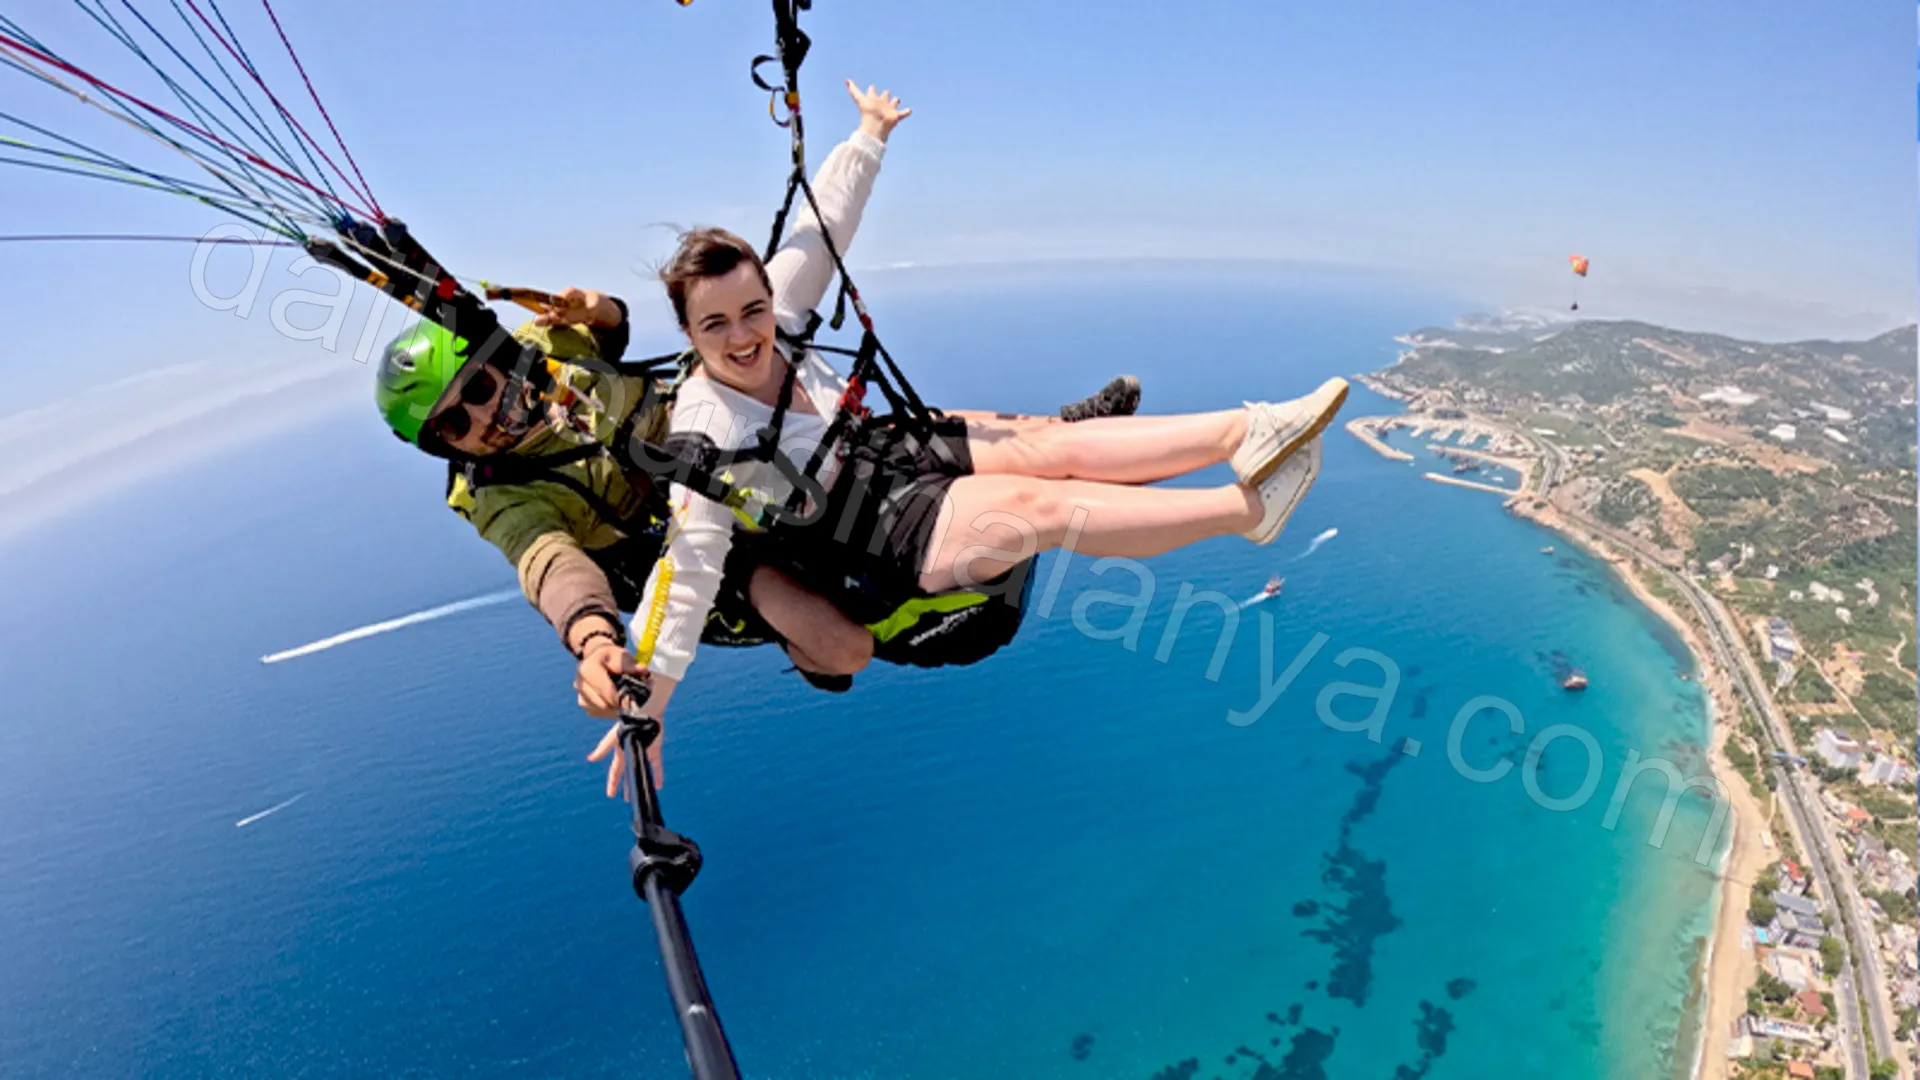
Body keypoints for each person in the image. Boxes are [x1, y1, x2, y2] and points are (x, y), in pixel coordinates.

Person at [582, 81, 1346, 792]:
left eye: (752, 311)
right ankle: (1247, 511)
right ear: (688, 332)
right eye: (715, 324)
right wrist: (652, 698)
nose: (744, 336)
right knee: (1040, 506)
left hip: (884, 451)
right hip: (866, 537)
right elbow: (687, 569)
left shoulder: (779, 313)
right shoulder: (706, 431)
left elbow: (823, 226)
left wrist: (869, 135)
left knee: (1052, 446)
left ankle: (1250, 428)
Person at [372, 165, 1143, 689]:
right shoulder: (504, 496)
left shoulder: (540, 352)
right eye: (455, 424)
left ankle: (1055, 436)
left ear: (497, 364)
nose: (483, 416)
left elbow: (610, 329)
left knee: (886, 437)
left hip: (709, 438)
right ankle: (816, 659)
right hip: (679, 542)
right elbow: (550, 564)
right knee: (841, 643)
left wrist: (592, 306)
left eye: (479, 388)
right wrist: (595, 640)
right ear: (445, 448)